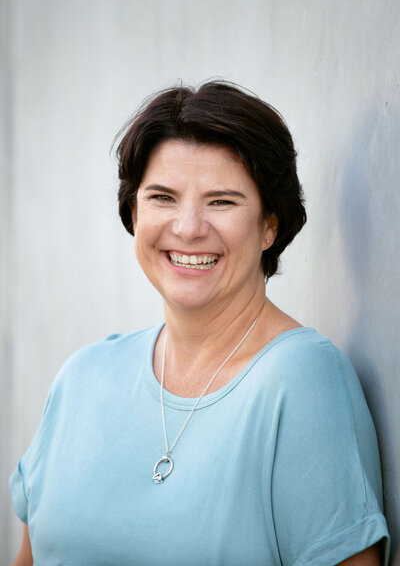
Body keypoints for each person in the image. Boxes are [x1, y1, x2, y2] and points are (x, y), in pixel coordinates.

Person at [10, 81, 390, 566]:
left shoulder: (302, 383)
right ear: (133, 210)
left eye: (222, 201)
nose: (188, 227)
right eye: (162, 197)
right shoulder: (82, 378)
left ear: (270, 224)